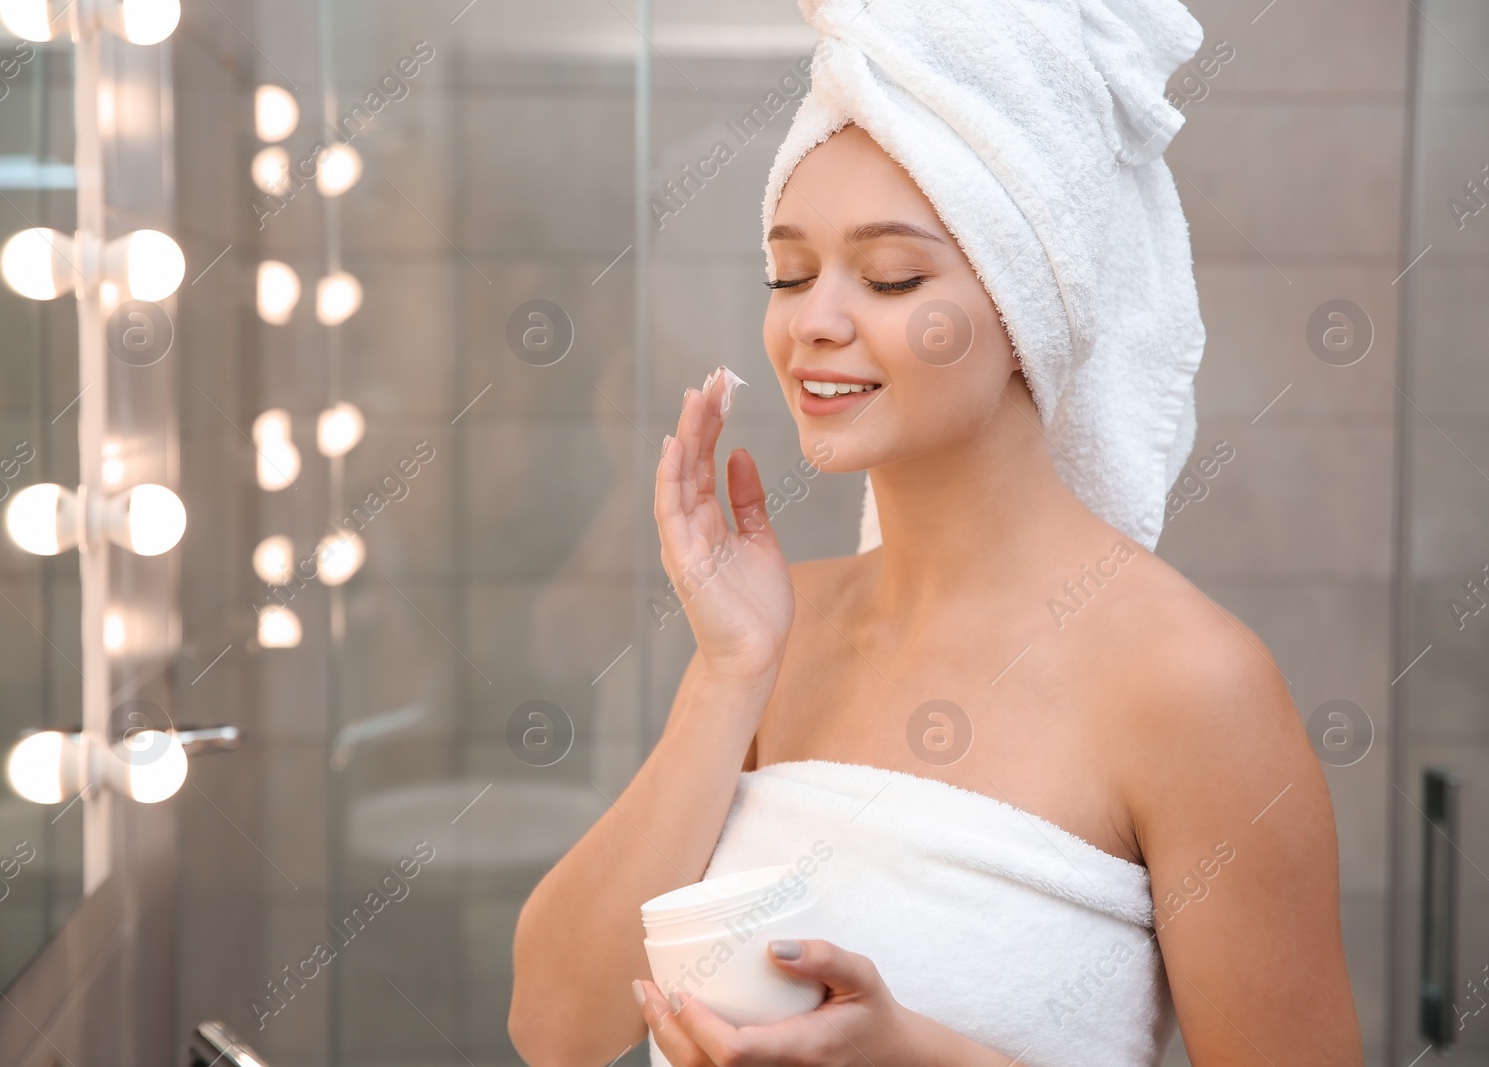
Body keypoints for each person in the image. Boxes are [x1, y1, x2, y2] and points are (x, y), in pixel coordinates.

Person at [511, 2, 1364, 1063]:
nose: (812, 319)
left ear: (1024, 307)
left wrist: (917, 1054)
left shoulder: (1192, 687)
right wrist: (728, 670)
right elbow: (554, 1028)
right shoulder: (780, 631)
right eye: (788, 272)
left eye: (889, 277)